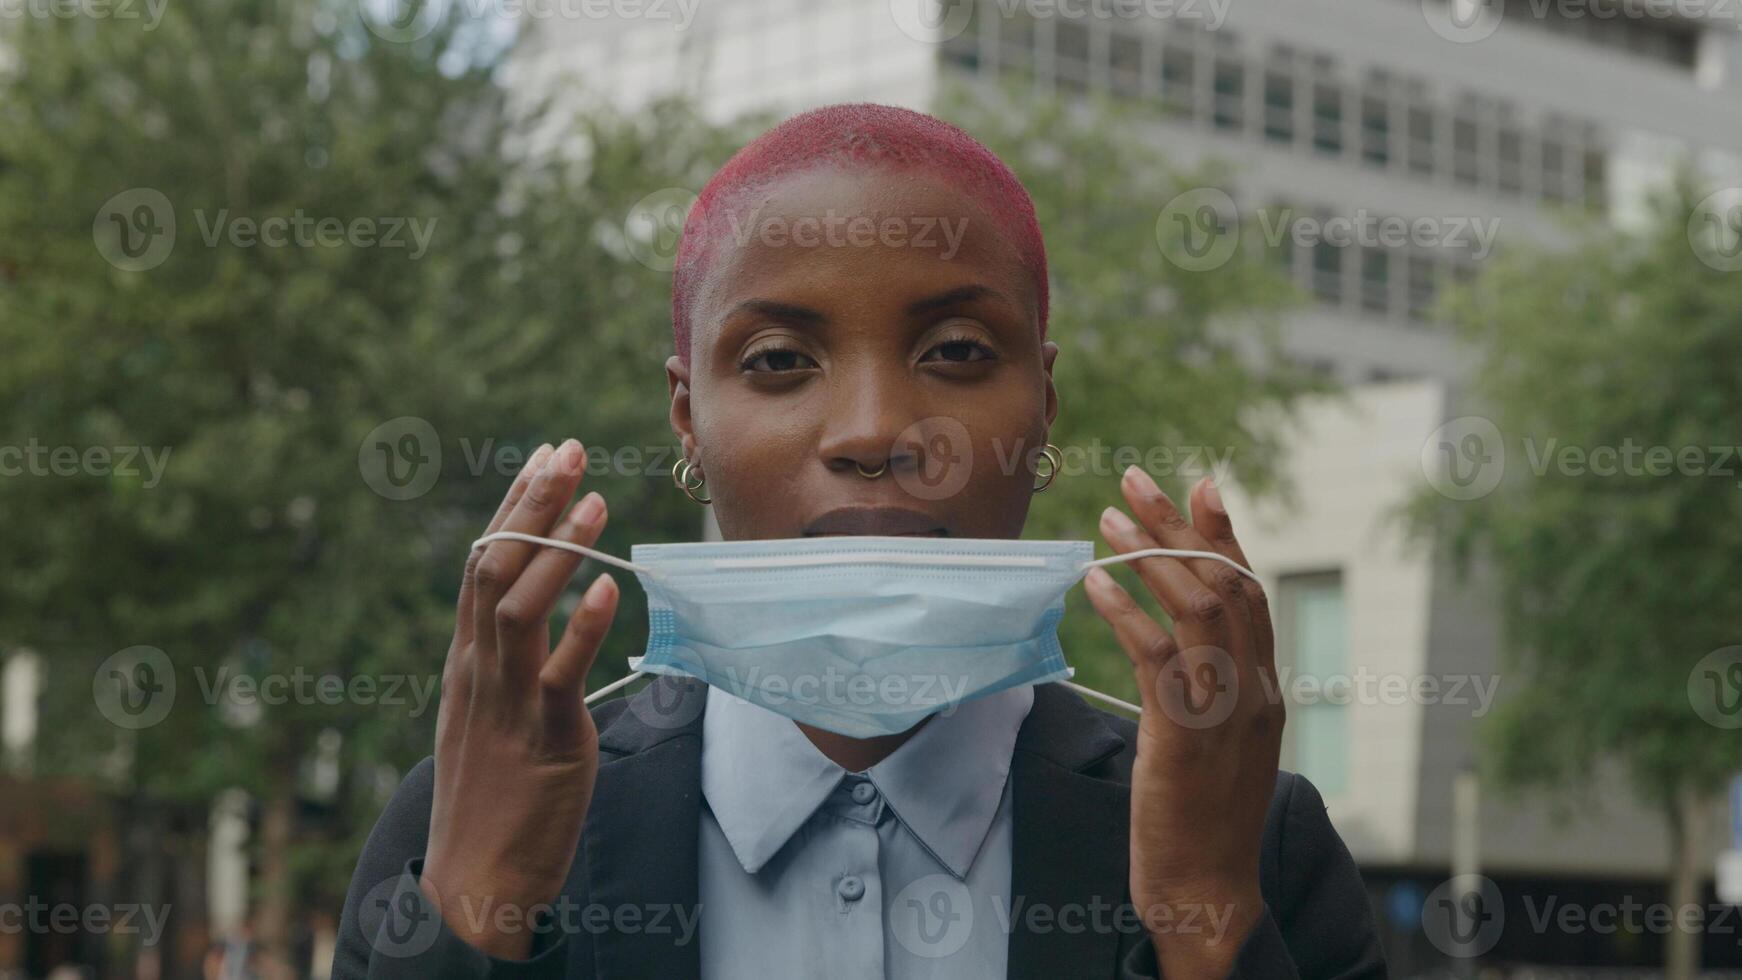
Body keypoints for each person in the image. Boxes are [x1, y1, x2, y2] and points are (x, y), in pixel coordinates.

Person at [333, 103, 1386, 979]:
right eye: (781, 359)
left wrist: (1203, 912)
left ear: (1044, 410)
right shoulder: (464, 815)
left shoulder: (1255, 835)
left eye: (959, 349)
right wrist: (478, 904)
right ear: (686, 417)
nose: (876, 428)